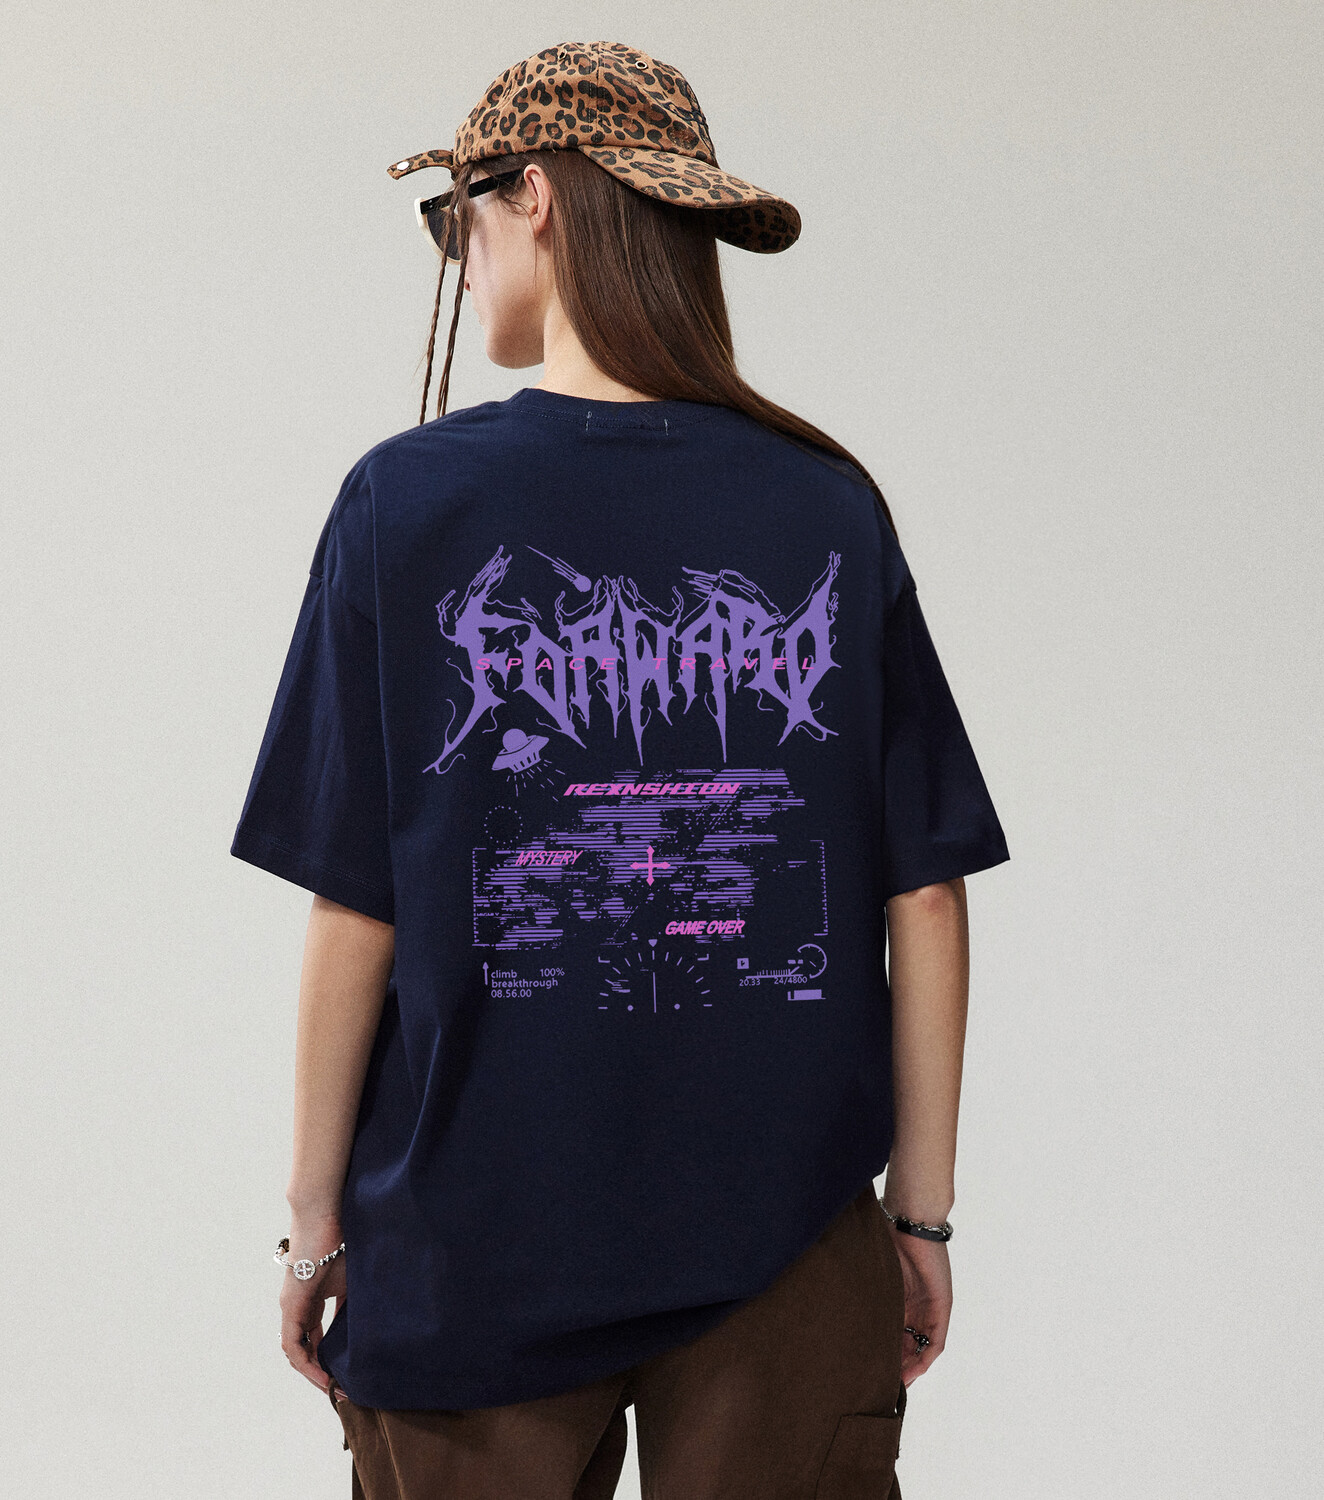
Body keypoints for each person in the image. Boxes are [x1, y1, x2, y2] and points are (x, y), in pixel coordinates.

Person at [232, 39, 1009, 1500]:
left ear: (531, 194)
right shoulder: (826, 505)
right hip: (787, 1236)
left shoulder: (406, 501)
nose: (458, 256)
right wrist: (919, 1217)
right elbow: (925, 891)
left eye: (455, 216)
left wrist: (314, 1227)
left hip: (471, 1242)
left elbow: (357, 901)